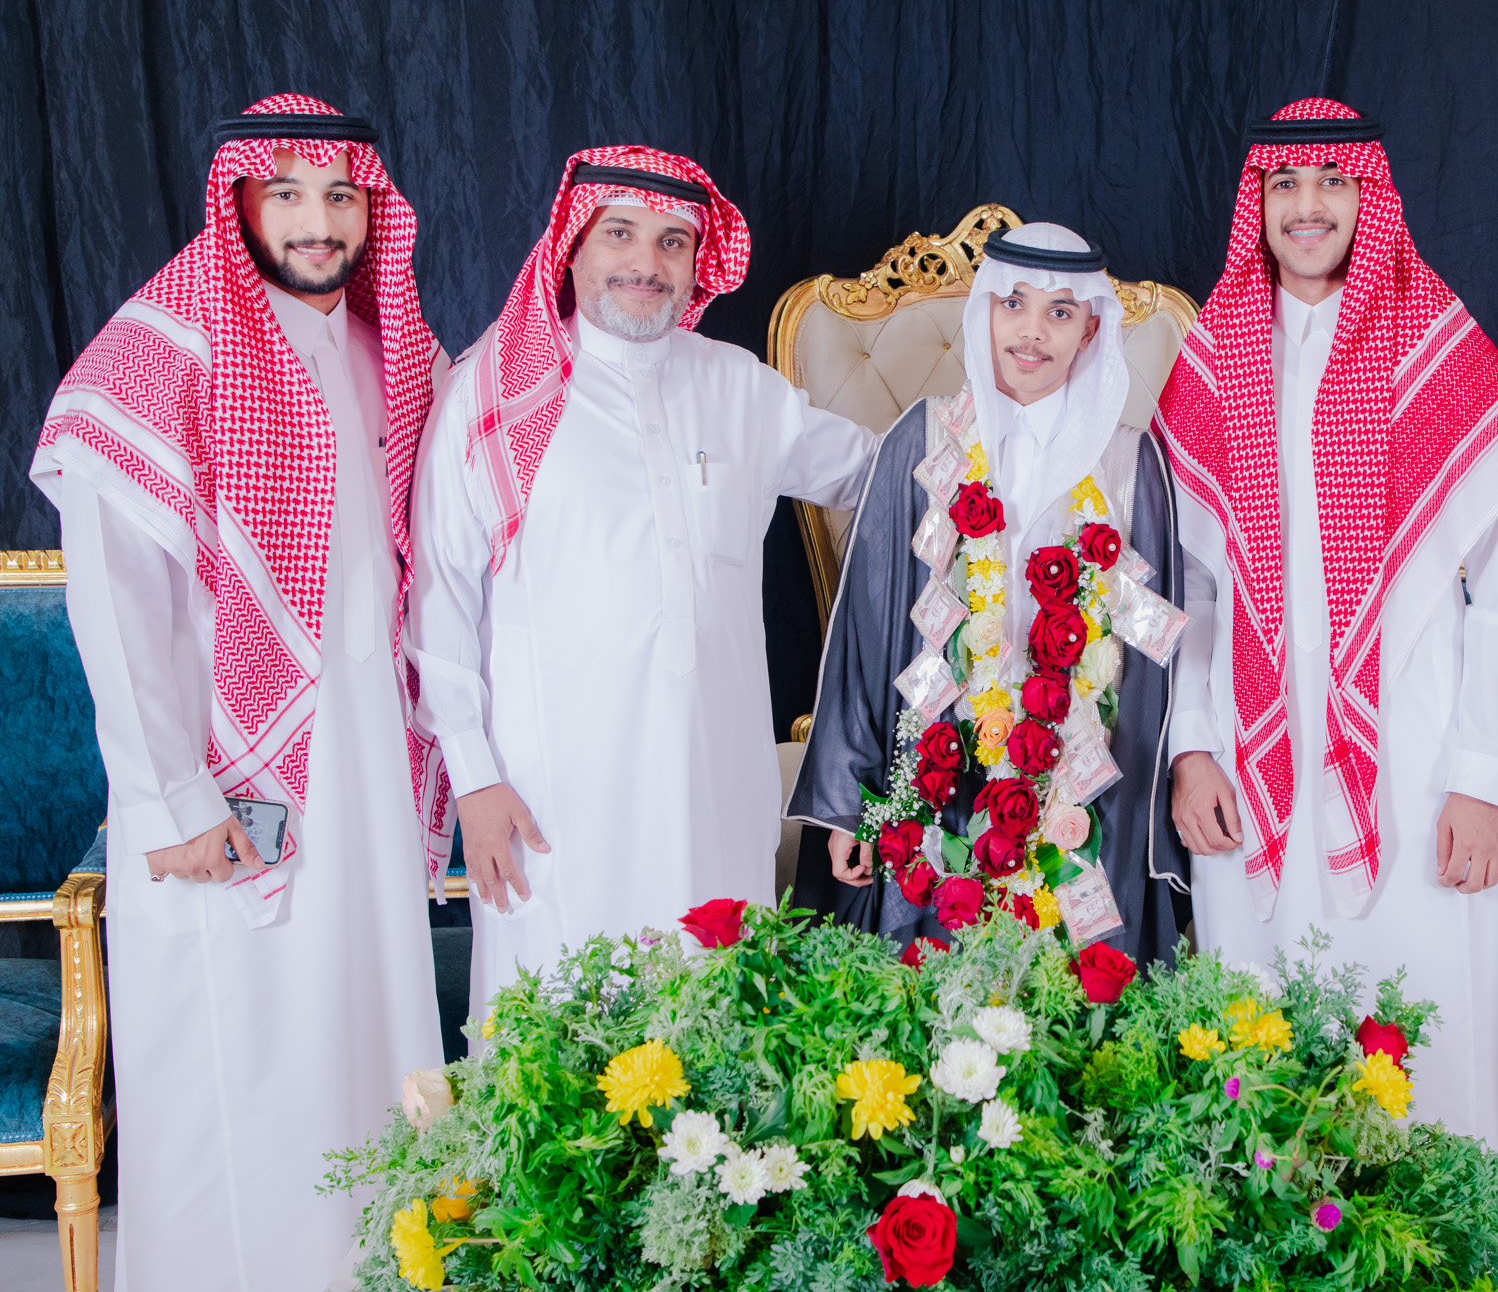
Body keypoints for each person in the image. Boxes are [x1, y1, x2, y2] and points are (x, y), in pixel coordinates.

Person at [32, 94, 448, 1291]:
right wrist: (170, 801)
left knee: (364, 1057)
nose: (319, 222)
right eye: (288, 195)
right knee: (245, 1080)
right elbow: (117, 609)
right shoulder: (157, 355)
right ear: (240, 205)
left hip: (363, 782)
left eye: (340, 195)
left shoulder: (389, 351)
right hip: (222, 788)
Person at [1154, 99, 1498, 1177]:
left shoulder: (1436, 343)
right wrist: (1192, 748)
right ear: (1257, 204)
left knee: (1431, 1026)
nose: (1307, 205)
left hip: (1417, 759)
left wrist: (1483, 781)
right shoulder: (1212, 356)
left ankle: (1459, 1245)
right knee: (1266, 1041)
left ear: (1369, 197)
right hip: (1250, 755)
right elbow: (1188, 590)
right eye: (1284, 183)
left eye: (1332, 181)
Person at [409, 146, 874, 1019]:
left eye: (672, 242)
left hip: (714, 787)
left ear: (699, 263)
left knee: (716, 1030)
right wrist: (472, 777)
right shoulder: (490, 396)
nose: (646, 264)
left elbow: (879, 475)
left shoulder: (740, 389)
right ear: (573, 248)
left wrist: (1003, 438)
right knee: (558, 1042)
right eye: (619, 234)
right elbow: (439, 600)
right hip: (552, 799)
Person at [788, 222, 1191, 964]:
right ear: (986, 314)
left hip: (1085, 792)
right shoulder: (923, 440)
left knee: (1082, 1000)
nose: (1032, 331)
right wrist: (849, 802)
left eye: (1059, 311)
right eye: (1014, 304)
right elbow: (864, 632)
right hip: (938, 775)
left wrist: (1138, 818)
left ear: (1090, 328)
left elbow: (1152, 675)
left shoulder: (1129, 464)